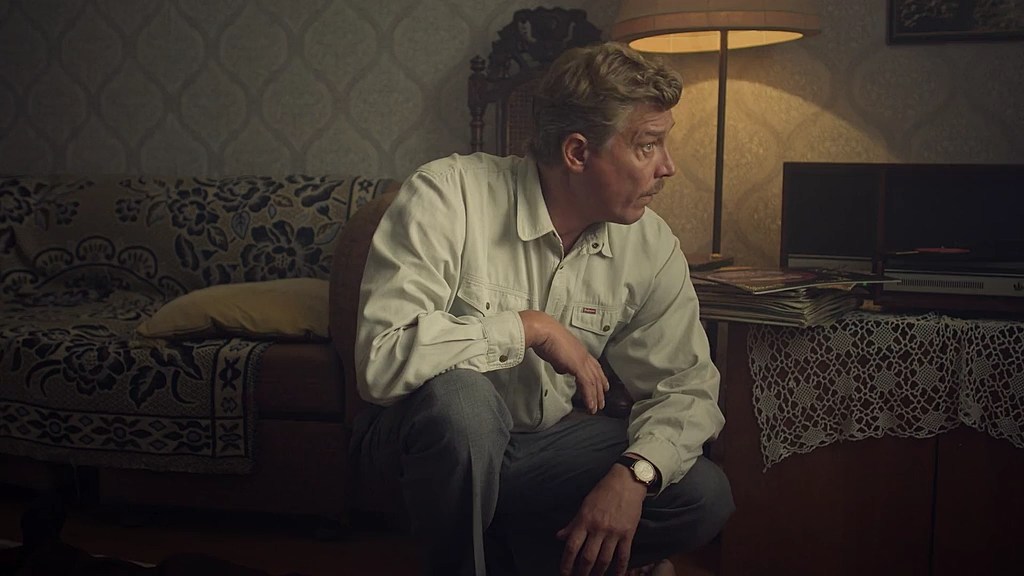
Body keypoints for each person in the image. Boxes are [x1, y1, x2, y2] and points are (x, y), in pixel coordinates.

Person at [350, 41, 733, 576]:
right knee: (464, 402)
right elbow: (380, 361)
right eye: (648, 146)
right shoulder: (448, 193)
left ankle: (508, 553)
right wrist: (526, 329)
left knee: (703, 493)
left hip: (539, 448)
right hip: (422, 445)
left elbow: (686, 388)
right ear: (577, 152)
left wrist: (633, 476)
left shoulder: (650, 244)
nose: (667, 167)